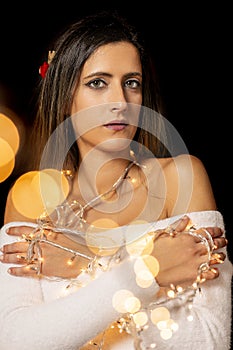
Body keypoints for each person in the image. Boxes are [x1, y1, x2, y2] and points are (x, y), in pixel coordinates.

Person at [0, 10, 232, 350]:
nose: (120, 102)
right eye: (98, 83)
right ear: (66, 97)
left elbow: (209, 340)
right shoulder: (33, 201)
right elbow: (18, 341)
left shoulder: (181, 177)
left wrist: (79, 264)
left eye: (132, 83)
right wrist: (150, 271)